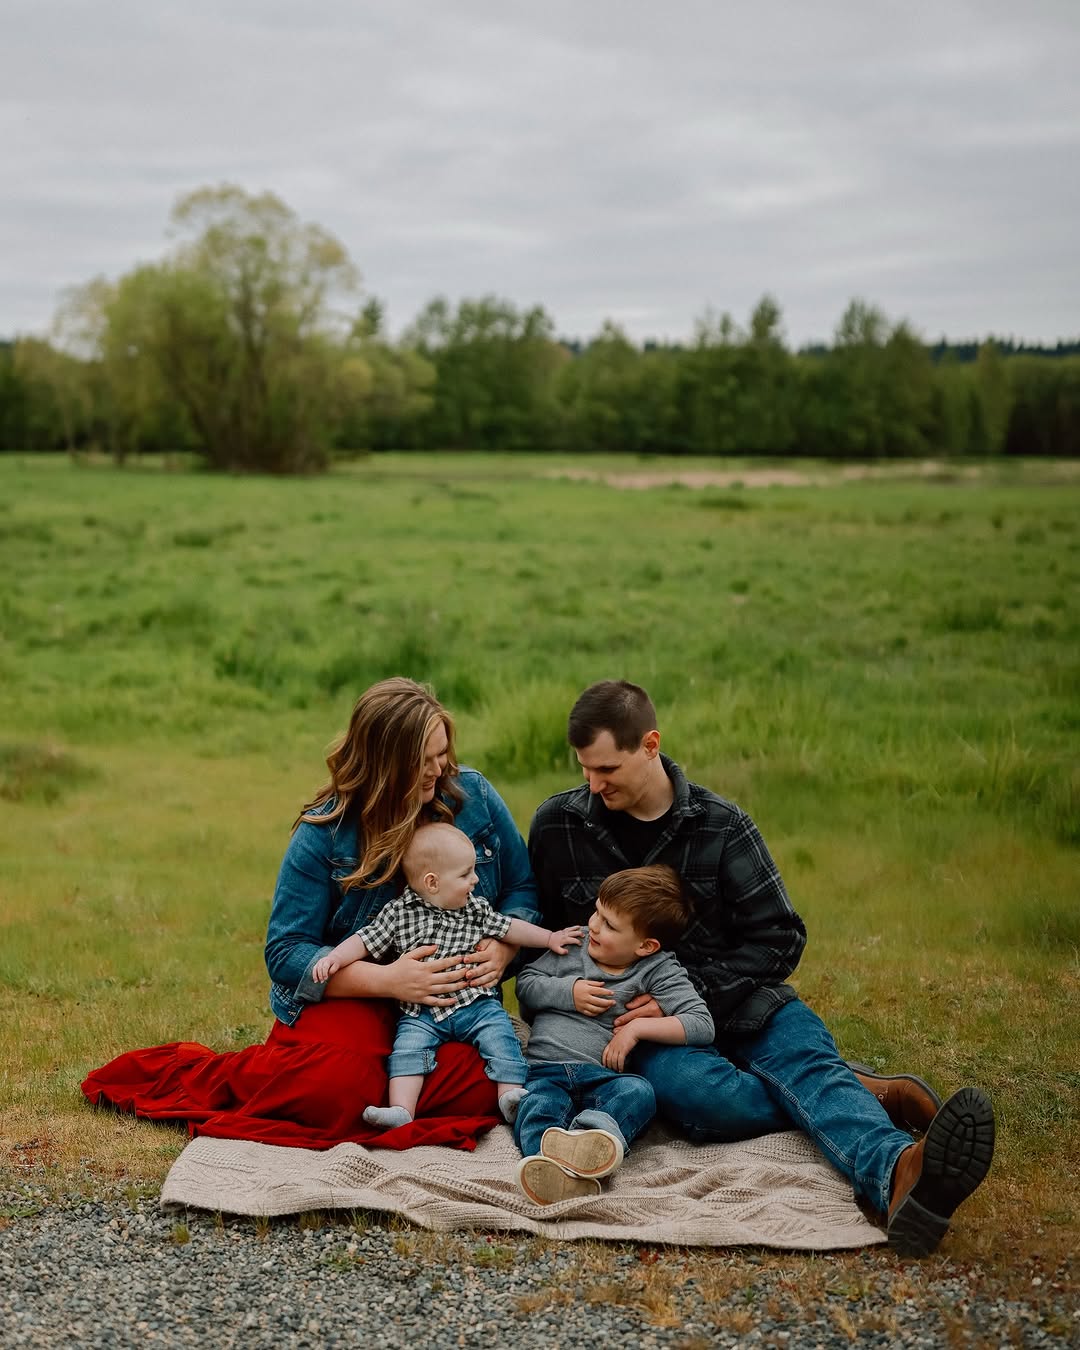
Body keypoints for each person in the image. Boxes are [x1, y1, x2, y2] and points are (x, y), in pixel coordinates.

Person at [528, 680, 996, 1255]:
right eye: (585, 770)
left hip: (746, 1004)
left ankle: (899, 1170)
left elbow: (780, 938)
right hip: (642, 1032)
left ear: (650, 745)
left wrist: (695, 990)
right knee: (706, 1101)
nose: (594, 785)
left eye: (607, 769)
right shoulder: (558, 826)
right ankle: (860, 1091)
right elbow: (545, 937)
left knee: (802, 1060)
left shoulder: (724, 827)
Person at [83, 677, 541, 1151]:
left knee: (490, 1082)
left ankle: (389, 1093)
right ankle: (247, 1075)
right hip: (354, 998)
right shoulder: (326, 830)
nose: (438, 769)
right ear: (384, 764)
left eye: (441, 754)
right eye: (422, 761)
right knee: (335, 1087)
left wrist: (503, 949)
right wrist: (390, 981)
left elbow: (522, 888)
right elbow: (285, 952)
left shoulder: (475, 798)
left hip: (447, 1006)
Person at [311, 821, 581, 1128]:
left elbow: (509, 927)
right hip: (422, 1011)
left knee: (501, 1037)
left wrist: (548, 938)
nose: (475, 880)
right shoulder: (397, 914)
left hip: (476, 1005)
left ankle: (511, 1095)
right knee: (408, 1050)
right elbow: (364, 940)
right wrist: (334, 957)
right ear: (432, 882)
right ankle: (401, 1110)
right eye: (465, 874)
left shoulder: (475, 909)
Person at [513, 864, 714, 1205]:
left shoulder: (658, 970)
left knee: (639, 1091)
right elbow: (525, 985)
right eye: (597, 911)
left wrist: (636, 1028)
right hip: (546, 1067)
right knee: (538, 1106)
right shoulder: (574, 942)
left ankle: (591, 1138)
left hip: (603, 1076)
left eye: (609, 924)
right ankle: (548, 1168)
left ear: (645, 946)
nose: (593, 924)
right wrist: (569, 991)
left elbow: (700, 1023)